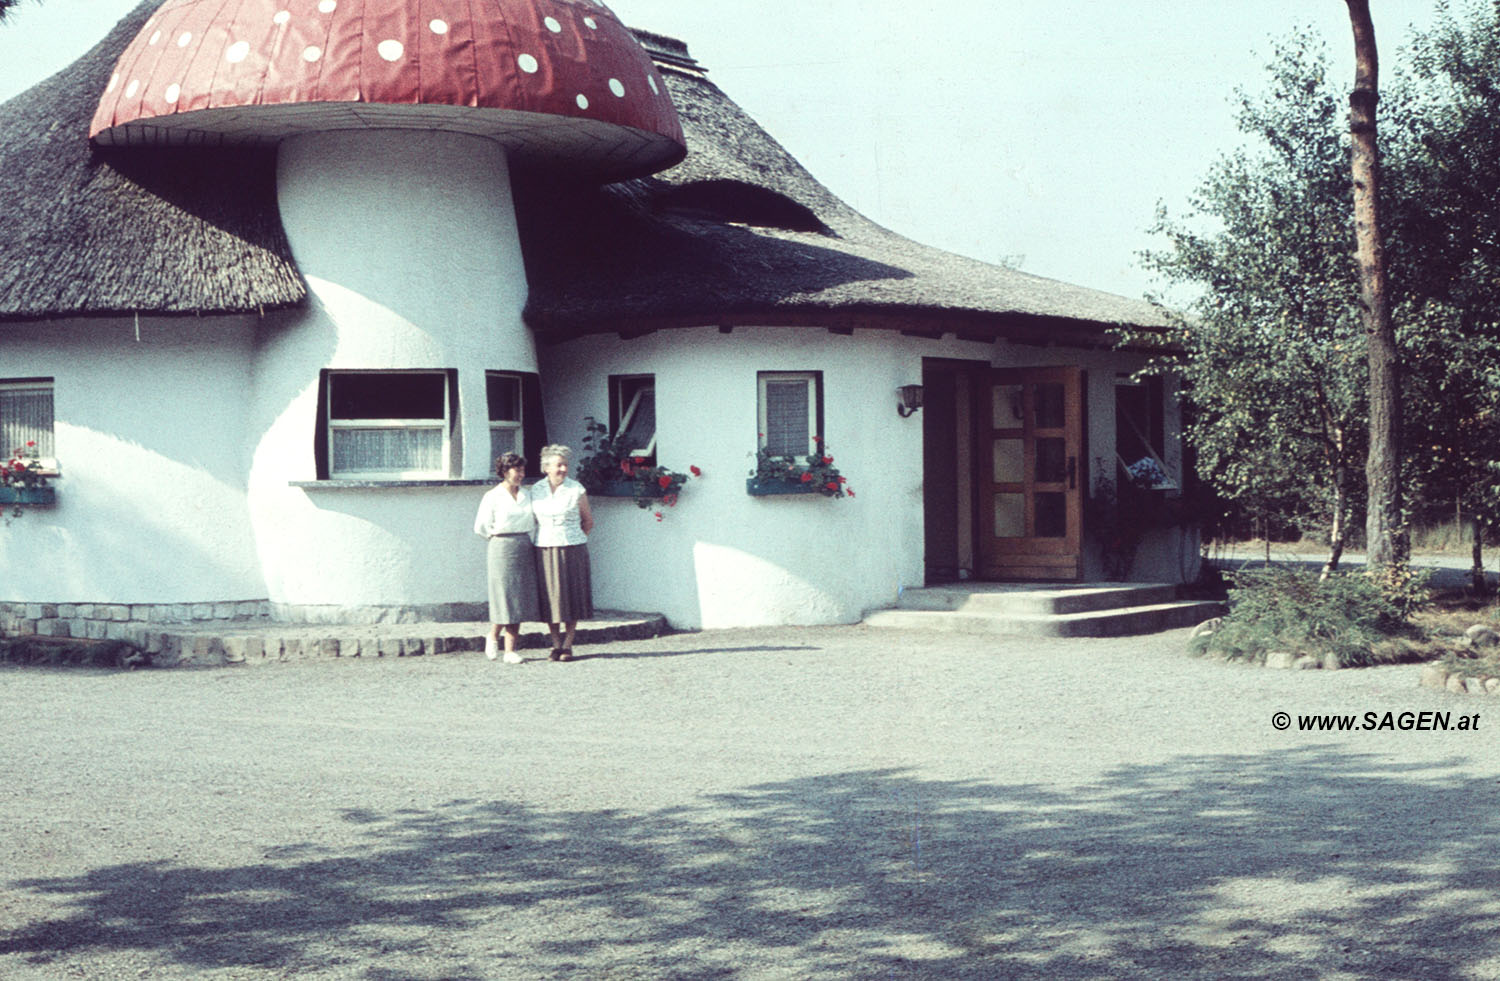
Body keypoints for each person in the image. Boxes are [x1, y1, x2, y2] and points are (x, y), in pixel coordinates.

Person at [473, 452, 540, 663]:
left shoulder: (527, 495)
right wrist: (500, 538)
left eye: (522, 470)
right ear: (504, 471)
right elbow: (481, 527)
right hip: (501, 547)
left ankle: (510, 650)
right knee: (504, 596)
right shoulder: (492, 496)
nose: (521, 474)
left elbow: (535, 520)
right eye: (516, 470)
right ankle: (493, 636)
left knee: (517, 599)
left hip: (523, 545)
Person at [531, 444, 594, 661]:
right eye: (558, 465)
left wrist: (573, 539)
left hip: (572, 548)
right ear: (546, 467)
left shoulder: (576, 489)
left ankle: (568, 644)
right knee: (552, 598)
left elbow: (588, 522)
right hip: (545, 548)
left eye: (565, 465)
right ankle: (555, 643)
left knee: (572, 597)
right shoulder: (536, 490)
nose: (563, 469)